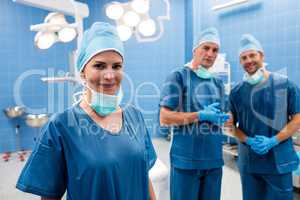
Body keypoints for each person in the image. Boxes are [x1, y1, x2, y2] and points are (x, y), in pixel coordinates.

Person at [16, 22, 157, 200]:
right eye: (99, 66)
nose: (109, 75)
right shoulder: (61, 126)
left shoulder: (135, 116)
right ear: (82, 71)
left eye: (116, 66)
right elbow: (50, 195)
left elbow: (144, 176)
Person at [159, 27, 229, 200]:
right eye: (206, 48)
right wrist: (199, 115)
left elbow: (225, 115)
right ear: (195, 50)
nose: (210, 53)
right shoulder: (178, 76)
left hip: (213, 160)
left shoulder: (218, 83)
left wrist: (225, 119)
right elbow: (164, 118)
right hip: (186, 161)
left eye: (215, 50)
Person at [229, 34, 300, 200]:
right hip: (250, 162)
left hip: (278, 161)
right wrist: (248, 140)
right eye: (243, 58)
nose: (248, 60)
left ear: (262, 55)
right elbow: (230, 126)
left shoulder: (285, 84)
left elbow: (297, 118)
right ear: (240, 62)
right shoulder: (237, 92)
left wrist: (274, 140)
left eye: (252, 55)